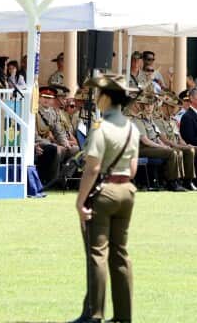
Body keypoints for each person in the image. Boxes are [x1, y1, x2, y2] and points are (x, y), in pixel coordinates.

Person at [73, 73, 139, 323]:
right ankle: (123, 316)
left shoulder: (101, 127)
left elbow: (92, 168)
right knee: (120, 254)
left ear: (107, 98)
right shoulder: (131, 127)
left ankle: (94, 313)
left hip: (104, 191)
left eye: (99, 94)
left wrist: (80, 201)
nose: (97, 98)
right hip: (126, 190)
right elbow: (132, 168)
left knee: (97, 253)